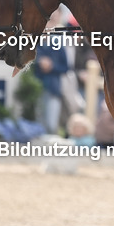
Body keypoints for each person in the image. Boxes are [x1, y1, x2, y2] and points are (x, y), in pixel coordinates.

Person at [34, 8, 70, 136]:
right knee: (39, 122)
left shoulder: (58, 42)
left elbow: (65, 67)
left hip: (54, 88)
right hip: (37, 87)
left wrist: (52, 66)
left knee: (51, 123)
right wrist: (39, 62)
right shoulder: (35, 42)